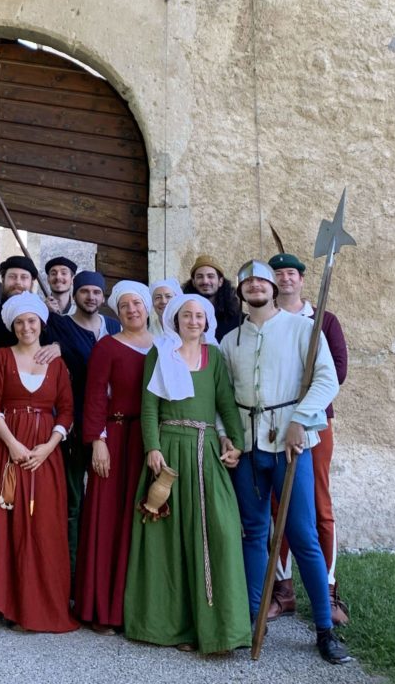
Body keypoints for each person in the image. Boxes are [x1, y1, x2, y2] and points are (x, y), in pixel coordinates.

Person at [221, 260, 351, 665]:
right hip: (247, 447)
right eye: (249, 282)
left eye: (262, 280)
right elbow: (223, 396)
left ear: (273, 287)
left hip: (290, 445)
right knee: (254, 532)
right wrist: (227, 435)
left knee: (302, 534)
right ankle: (250, 621)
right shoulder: (230, 341)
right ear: (240, 291)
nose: (256, 286)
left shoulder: (302, 330)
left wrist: (300, 420)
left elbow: (327, 380)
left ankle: (325, 630)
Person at [124, 294, 251, 653]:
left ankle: (220, 628)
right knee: (171, 539)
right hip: (169, 450)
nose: (193, 321)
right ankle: (175, 628)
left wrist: (236, 443)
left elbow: (225, 404)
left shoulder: (215, 359)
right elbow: (149, 406)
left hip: (206, 449)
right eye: (186, 315)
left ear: (207, 321)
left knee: (220, 532)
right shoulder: (159, 355)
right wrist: (152, 447)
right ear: (175, 321)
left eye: (199, 316)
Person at [0, 294, 77, 633]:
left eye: (32, 321)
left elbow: (67, 410)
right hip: (8, 447)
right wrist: (13, 444)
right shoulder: (2, 357)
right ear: (12, 326)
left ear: (41, 324)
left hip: (46, 453)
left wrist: (48, 447)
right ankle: (9, 602)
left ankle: (42, 601)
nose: (26, 327)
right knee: (8, 522)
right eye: (20, 322)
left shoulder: (56, 363)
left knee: (43, 524)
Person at [266, 251, 350, 624]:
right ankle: (283, 591)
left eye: (291, 273)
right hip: (272, 425)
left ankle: (328, 592)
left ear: (301, 279)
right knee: (277, 505)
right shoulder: (265, 320)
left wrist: (302, 407)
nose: (285, 279)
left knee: (318, 504)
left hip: (314, 423)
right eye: (278, 274)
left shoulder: (323, 320)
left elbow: (338, 372)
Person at [73, 281, 153, 634]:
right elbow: (94, 397)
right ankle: (101, 608)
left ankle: (138, 608)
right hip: (115, 439)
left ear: (147, 307)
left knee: (143, 521)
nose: (131, 310)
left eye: (137, 304)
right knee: (107, 520)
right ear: (116, 312)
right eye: (124, 306)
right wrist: (97, 441)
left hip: (150, 442)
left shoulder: (165, 347)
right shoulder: (107, 347)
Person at [48, 270, 120, 573]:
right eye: (85, 291)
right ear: (75, 295)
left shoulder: (115, 326)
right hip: (76, 423)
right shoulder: (59, 327)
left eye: (96, 292)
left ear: (103, 297)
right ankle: (74, 574)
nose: (91, 297)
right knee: (74, 502)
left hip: (115, 423)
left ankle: (104, 572)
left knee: (109, 502)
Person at [0, 255, 58, 354]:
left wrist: (58, 347)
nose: (18, 282)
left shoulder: (46, 320)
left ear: (31, 283)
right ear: (3, 280)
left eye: (24, 277)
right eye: (12, 277)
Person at [181, 254, 241, 341]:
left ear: (220, 281)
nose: (205, 281)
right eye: (200, 277)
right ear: (193, 282)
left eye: (210, 276)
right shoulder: (182, 315)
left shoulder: (237, 319)